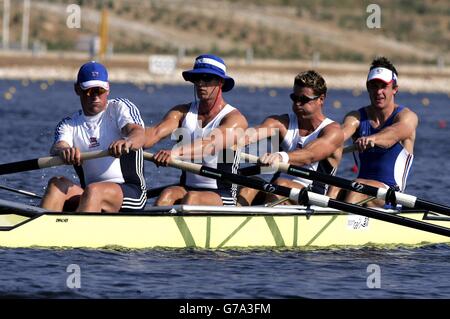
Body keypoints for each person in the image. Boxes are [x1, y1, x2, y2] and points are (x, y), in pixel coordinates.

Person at [40, 61, 147, 212]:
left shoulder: (120, 108)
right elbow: (58, 146)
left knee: (93, 191)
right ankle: (38, 231)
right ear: (77, 89)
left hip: (130, 192)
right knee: (56, 184)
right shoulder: (69, 124)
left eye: (100, 90)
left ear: (108, 89)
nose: (95, 96)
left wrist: (127, 142)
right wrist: (64, 151)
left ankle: (77, 233)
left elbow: (139, 134)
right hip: (90, 194)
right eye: (89, 91)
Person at [144, 54, 248, 206]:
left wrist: (175, 153)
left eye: (206, 78)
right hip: (187, 188)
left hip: (222, 193)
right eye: (196, 78)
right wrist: (129, 142)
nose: (200, 83)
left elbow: (209, 145)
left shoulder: (235, 119)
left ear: (220, 82)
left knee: (192, 199)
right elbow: (154, 133)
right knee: (166, 195)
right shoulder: (181, 112)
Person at [237, 70, 344, 206]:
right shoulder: (282, 123)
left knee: (281, 185)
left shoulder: (333, 131)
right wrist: (228, 142)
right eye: (294, 98)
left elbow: (309, 155)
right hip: (277, 190)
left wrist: (280, 157)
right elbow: (252, 134)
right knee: (250, 184)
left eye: (304, 99)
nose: (297, 104)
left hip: (313, 199)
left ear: (321, 99)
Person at [338, 56, 418, 207]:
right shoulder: (355, 117)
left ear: (394, 89)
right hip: (359, 189)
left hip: (391, 197)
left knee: (356, 188)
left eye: (383, 86)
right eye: (374, 86)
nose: (378, 91)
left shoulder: (407, 117)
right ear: (368, 88)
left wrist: (372, 139)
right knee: (334, 188)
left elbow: (393, 134)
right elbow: (338, 136)